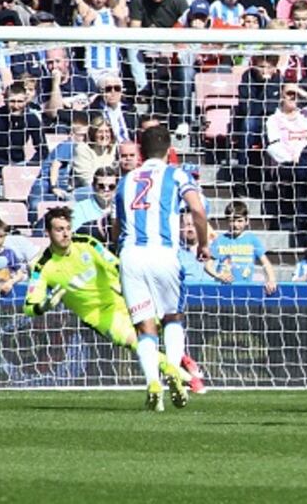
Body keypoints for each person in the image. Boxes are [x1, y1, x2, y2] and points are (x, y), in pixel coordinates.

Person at [25, 206, 191, 399]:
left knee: (162, 327)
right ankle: (179, 376)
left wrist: (127, 284)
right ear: (48, 232)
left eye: (68, 228)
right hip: (99, 315)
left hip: (122, 297)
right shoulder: (42, 266)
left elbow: (115, 264)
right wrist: (44, 306)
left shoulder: (87, 243)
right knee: (137, 342)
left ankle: (179, 365)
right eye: (59, 229)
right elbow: (29, 306)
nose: (65, 234)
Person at [113, 125, 209, 411]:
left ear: (140, 152)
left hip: (130, 255)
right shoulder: (177, 174)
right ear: (169, 151)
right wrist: (204, 244)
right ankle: (173, 371)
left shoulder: (127, 179)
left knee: (144, 326)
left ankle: (152, 381)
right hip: (163, 253)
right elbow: (198, 210)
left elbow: (117, 225)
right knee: (173, 317)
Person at [207, 200, 279, 289]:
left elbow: (266, 263)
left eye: (239, 221)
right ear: (227, 221)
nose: (236, 224)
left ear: (247, 221)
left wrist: (271, 279)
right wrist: (218, 275)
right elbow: (207, 266)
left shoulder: (252, 240)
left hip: (246, 288)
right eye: (232, 221)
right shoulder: (220, 240)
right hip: (224, 288)